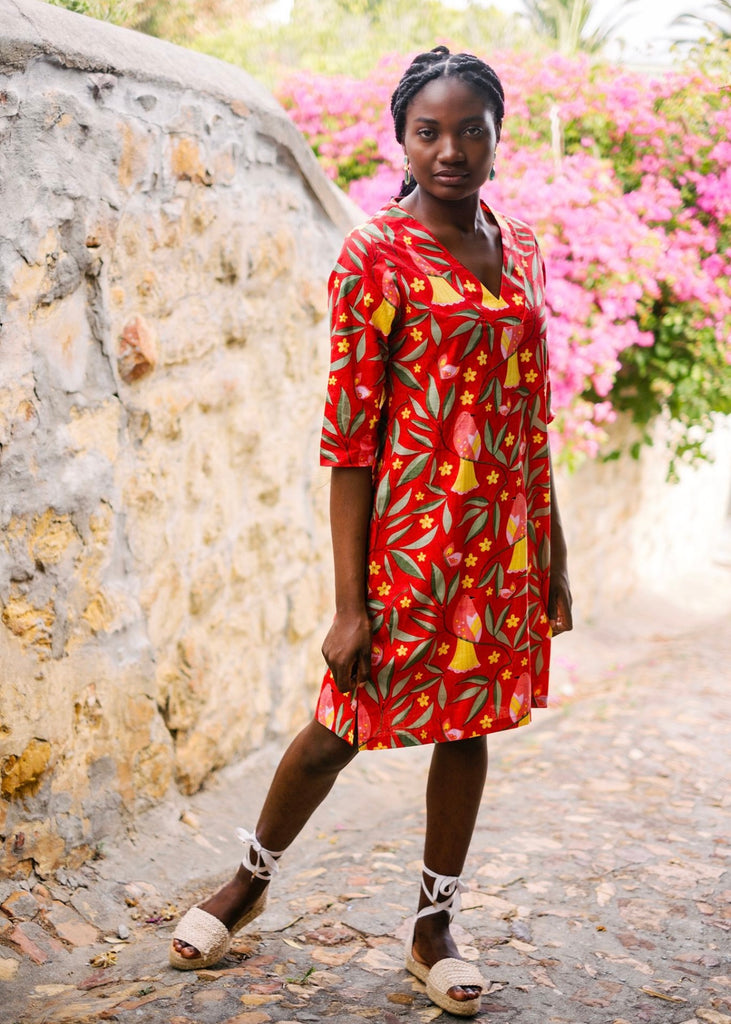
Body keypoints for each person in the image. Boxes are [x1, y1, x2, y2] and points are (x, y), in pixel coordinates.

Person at [170, 45, 573, 1018]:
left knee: (468, 728)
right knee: (338, 723)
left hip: (501, 540)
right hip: (408, 542)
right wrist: (349, 602)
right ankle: (249, 880)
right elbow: (349, 440)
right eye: (428, 131)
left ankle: (433, 927)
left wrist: (552, 549)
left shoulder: (517, 247)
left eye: (468, 130)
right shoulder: (373, 255)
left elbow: (531, 413)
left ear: (493, 136)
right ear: (400, 136)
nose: (450, 149)